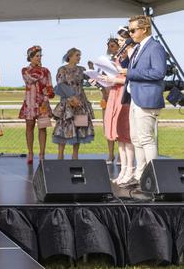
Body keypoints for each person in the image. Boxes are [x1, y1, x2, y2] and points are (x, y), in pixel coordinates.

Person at [120, 15, 167, 186]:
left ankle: (154, 177)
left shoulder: (155, 48)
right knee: (136, 139)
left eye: (132, 30)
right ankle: (140, 175)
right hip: (135, 98)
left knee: (146, 139)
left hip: (147, 99)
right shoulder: (139, 47)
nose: (130, 33)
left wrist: (129, 73)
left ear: (144, 29)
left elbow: (159, 73)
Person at [101, 29, 135, 185]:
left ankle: (130, 169)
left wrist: (113, 79)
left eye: (122, 40)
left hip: (125, 95)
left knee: (126, 134)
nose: (120, 43)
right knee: (119, 135)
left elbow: (130, 79)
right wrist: (103, 79)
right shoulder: (119, 57)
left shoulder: (131, 57)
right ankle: (123, 170)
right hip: (115, 94)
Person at [52, 48, 95, 159]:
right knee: (63, 127)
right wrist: (71, 98)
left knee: (79, 127)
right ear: (70, 56)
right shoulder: (62, 69)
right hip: (67, 103)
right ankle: (60, 155)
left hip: (81, 103)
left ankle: (75, 155)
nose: (79, 57)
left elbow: (91, 80)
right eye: (77, 55)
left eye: (79, 55)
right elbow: (60, 84)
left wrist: (91, 68)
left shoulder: (81, 69)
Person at [18, 45, 54, 163]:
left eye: (40, 56)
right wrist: (40, 74)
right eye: (37, 56)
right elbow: (30, 79)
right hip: (30, 103)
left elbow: (49, 86)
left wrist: (49, 93)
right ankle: (30, 153)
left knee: (42, 128)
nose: (39, 58)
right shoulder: (25, 70)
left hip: (43, 103)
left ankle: (42, 154)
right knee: (29, 127)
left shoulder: (46, 71)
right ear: (31, 57)